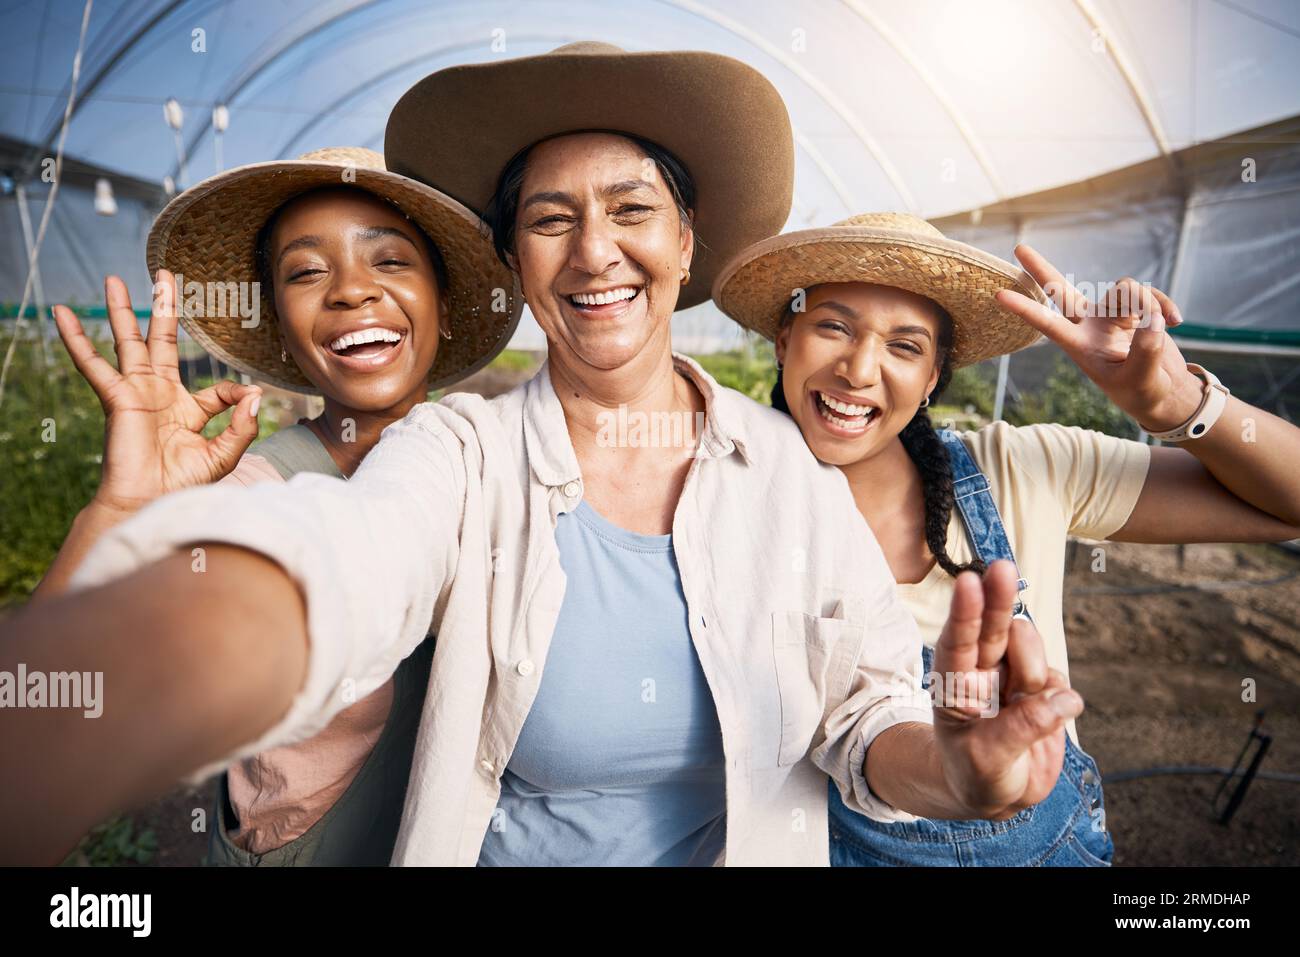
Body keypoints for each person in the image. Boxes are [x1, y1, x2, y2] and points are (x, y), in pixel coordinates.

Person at [1, 44, 1081, 867]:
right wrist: (71, 695)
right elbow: (337, 565)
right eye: (551, 219)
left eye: (633, 211)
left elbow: (862, 713)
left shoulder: (784, 470)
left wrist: (946, 767)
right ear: (514, 258)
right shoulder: (456, 449)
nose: (596, 250)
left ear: (687, 240)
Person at [711, 211, 1300, 865]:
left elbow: (1289, 503)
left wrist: (1179, 404)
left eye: (905, 346)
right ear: (784, 340)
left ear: (934, 377)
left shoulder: (1024, 466)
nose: (858, 369)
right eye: (833, 327)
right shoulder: (719, 503)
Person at [34, 147, 521, 864]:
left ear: (443, 306)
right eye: (306, 271)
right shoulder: (254, 497)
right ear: (284, 335)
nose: (352, 291)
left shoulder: (501, 471)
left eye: (389, 261)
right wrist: (118, 510)